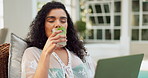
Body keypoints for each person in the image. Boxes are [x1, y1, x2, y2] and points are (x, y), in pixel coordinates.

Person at [21, 1, 95, 78]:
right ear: (42, 25)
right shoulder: (32, 53)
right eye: (51, 21)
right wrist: (46, 53)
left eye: (63, 21)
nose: (58, 24)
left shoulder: (77, 52)